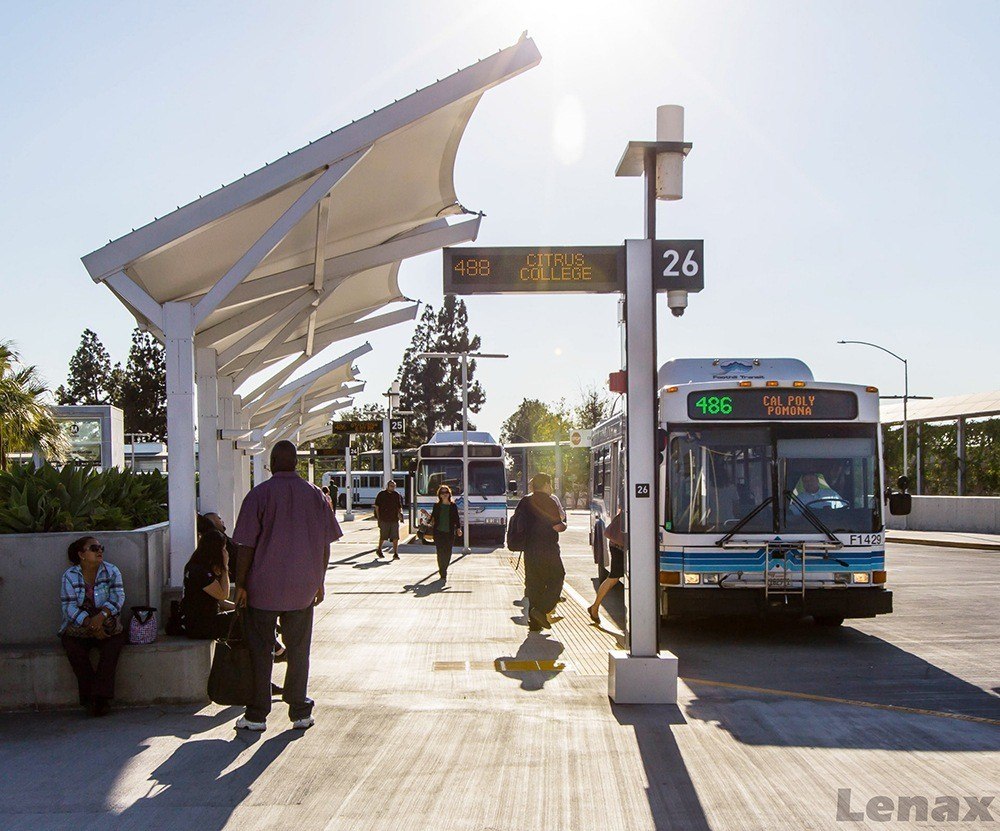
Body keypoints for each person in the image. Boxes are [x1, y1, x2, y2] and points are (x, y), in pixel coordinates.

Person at [232, 440, 343, 732]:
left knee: (260, 652)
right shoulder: (316, 495)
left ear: (271, 464)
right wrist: (319, 580)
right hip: (302, 589)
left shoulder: (259, 495)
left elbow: (245, 545)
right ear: (296, 463)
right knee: (299, 650)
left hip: (262, 588)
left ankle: (256, 715)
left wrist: (240, 584)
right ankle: (300, 711)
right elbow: (325, 544)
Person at [59, 536, 126, 716]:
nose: (99, 551)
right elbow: (69, 606)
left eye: (101, 547)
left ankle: (100, 698)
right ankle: (92, 698)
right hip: (81, 625)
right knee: (73, 648)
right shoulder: (69, 576)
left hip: (106, 622)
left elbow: (118, 598)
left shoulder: (112, 571)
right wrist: (90, 623)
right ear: (81, 554)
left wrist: (101, 617)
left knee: (112, 648)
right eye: (94, 548)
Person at [510, 473, 567, 631]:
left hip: (529, 549)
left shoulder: (525, 501)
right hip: (548, 549)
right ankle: (541, 610)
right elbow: (557, 526)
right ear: (546, 484)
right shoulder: (549, 502)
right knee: (557, 577)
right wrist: (564, 525)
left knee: (534, 584)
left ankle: (534, 624)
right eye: (550, 484)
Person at [180, 530, 235, 639]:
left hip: (204, 621)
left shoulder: (199, 566)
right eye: (223, 549)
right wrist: (225, 567)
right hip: (200, 625)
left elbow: (219, 601)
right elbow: (223, 595)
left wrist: (240, 608)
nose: (225, 553)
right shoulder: (199, 571)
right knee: (246, 622)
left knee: (246, 616)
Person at [588, 510, 624, 624]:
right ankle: (595, 607)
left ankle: (594, 607)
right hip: (619, 546)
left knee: (614, 578)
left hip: (621, 544)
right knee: (613, 578)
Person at [429, 485, 462, 581]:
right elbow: (432, 518)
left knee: (448, 552)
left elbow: (456, 518)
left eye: (446, 492)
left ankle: (444, 568)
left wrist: (458, 529)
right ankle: (442, 571)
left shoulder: (453, 506)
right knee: (440, 552)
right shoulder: (437, 506)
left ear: (449, 494)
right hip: (438, 532)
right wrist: (427, 517)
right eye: (442, 493)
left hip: (449, 532)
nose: (444, 494)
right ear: (439, 495)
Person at [373, 479, 404, 560]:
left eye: (394, 486)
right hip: (384, 519)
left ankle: (395, 553)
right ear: (387, 486)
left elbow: (399, 506)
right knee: (383, 536)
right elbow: (377, 507)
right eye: (391, 486)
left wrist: (400, 515)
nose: (392, 487)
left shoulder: (396, 495)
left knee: (395, 537)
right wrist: (378, 518)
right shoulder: (381, 494)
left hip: (394, 519)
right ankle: (379, 549)